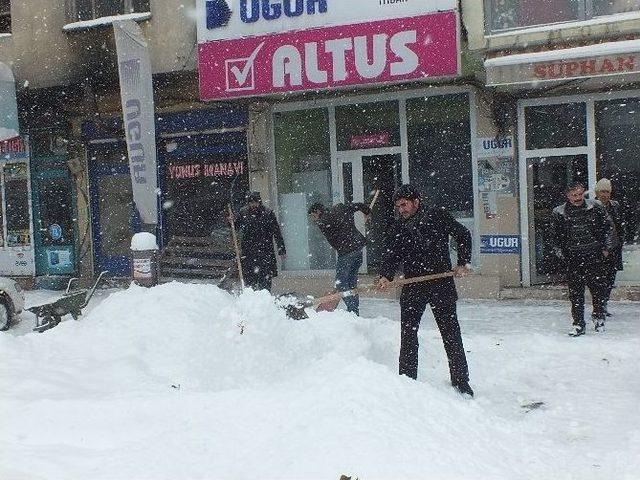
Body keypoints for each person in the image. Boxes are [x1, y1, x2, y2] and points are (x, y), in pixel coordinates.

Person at [376, 185, 474, 397]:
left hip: (440, 282)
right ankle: (407, 380)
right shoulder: (398, 227)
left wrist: (463, 262)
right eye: (398, 206)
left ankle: (461, 380)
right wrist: (385, 275)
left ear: (416, 201)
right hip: (413, 284)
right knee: (408, 335)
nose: (401, 209)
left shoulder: (437, 216)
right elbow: (391, 254)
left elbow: (463, 234)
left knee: (450, 333)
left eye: (404, 204)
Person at [551, 181, 614, 337]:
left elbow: (609, 227)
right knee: (576, 293)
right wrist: (561, 254)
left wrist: (606, 248)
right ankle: (578, 323)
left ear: (583, 193)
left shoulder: (595, 207)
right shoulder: (559, 212)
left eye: (579, 194)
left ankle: (599, 317)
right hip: (573, 258)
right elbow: (554, 237)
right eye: (573, 195)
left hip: (594, 255)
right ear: (567, 196)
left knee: (597, 289)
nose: (577, 198)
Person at [308, 201, 371, 315]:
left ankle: (353, 311)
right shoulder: (341, 208)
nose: (314, 219)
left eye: (313, 216)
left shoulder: (323, 222)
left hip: (347, 253)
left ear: (318, 212)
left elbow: (332, 237)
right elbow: (358, 205)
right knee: (351, 284)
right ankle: (354, 311)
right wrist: (367, 212)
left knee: (341, 284)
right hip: (357, 250)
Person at [231, 192, 286, 292]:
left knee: (264, 281)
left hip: (265, 252)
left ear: (259, 202)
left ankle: (264, 301)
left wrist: (281, 249)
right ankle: (251, 302)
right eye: (251, 203)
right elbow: (235, 226)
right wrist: (231, 221)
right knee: (250, 282)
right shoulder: (243, 213)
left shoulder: (268, 213)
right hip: (249, 252)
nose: (253, 205)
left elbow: (276, 232)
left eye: (255, 202)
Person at [594, 178, 625, 316]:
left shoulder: (615, 205)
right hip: (598, 250)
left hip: (614, 248)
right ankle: (599, 306)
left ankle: (603, 303)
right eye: (602, 191)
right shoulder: (591, 206)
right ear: (597, 192)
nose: (605, 194)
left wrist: (619, 241)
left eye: (607, 191)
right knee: (599, 279)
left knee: (610, 279)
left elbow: (620, 225)